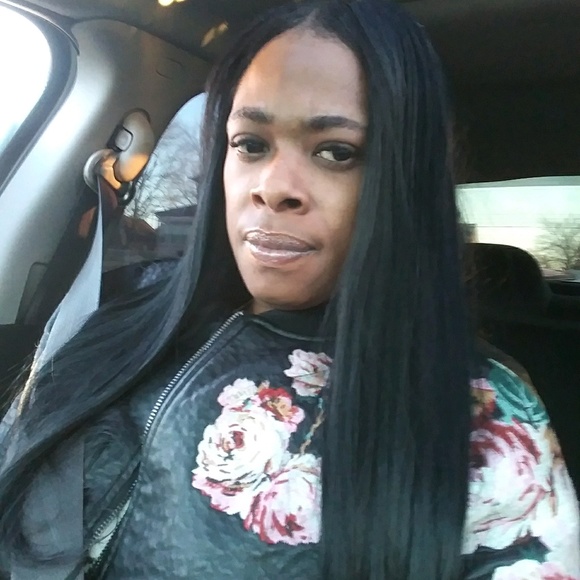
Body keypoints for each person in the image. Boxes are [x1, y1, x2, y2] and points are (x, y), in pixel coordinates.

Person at [0, 0, 579, 578]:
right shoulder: (116, 315)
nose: (273, 188)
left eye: (336, 152)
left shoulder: (484, 420)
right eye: (251, 144)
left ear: (403, 180)